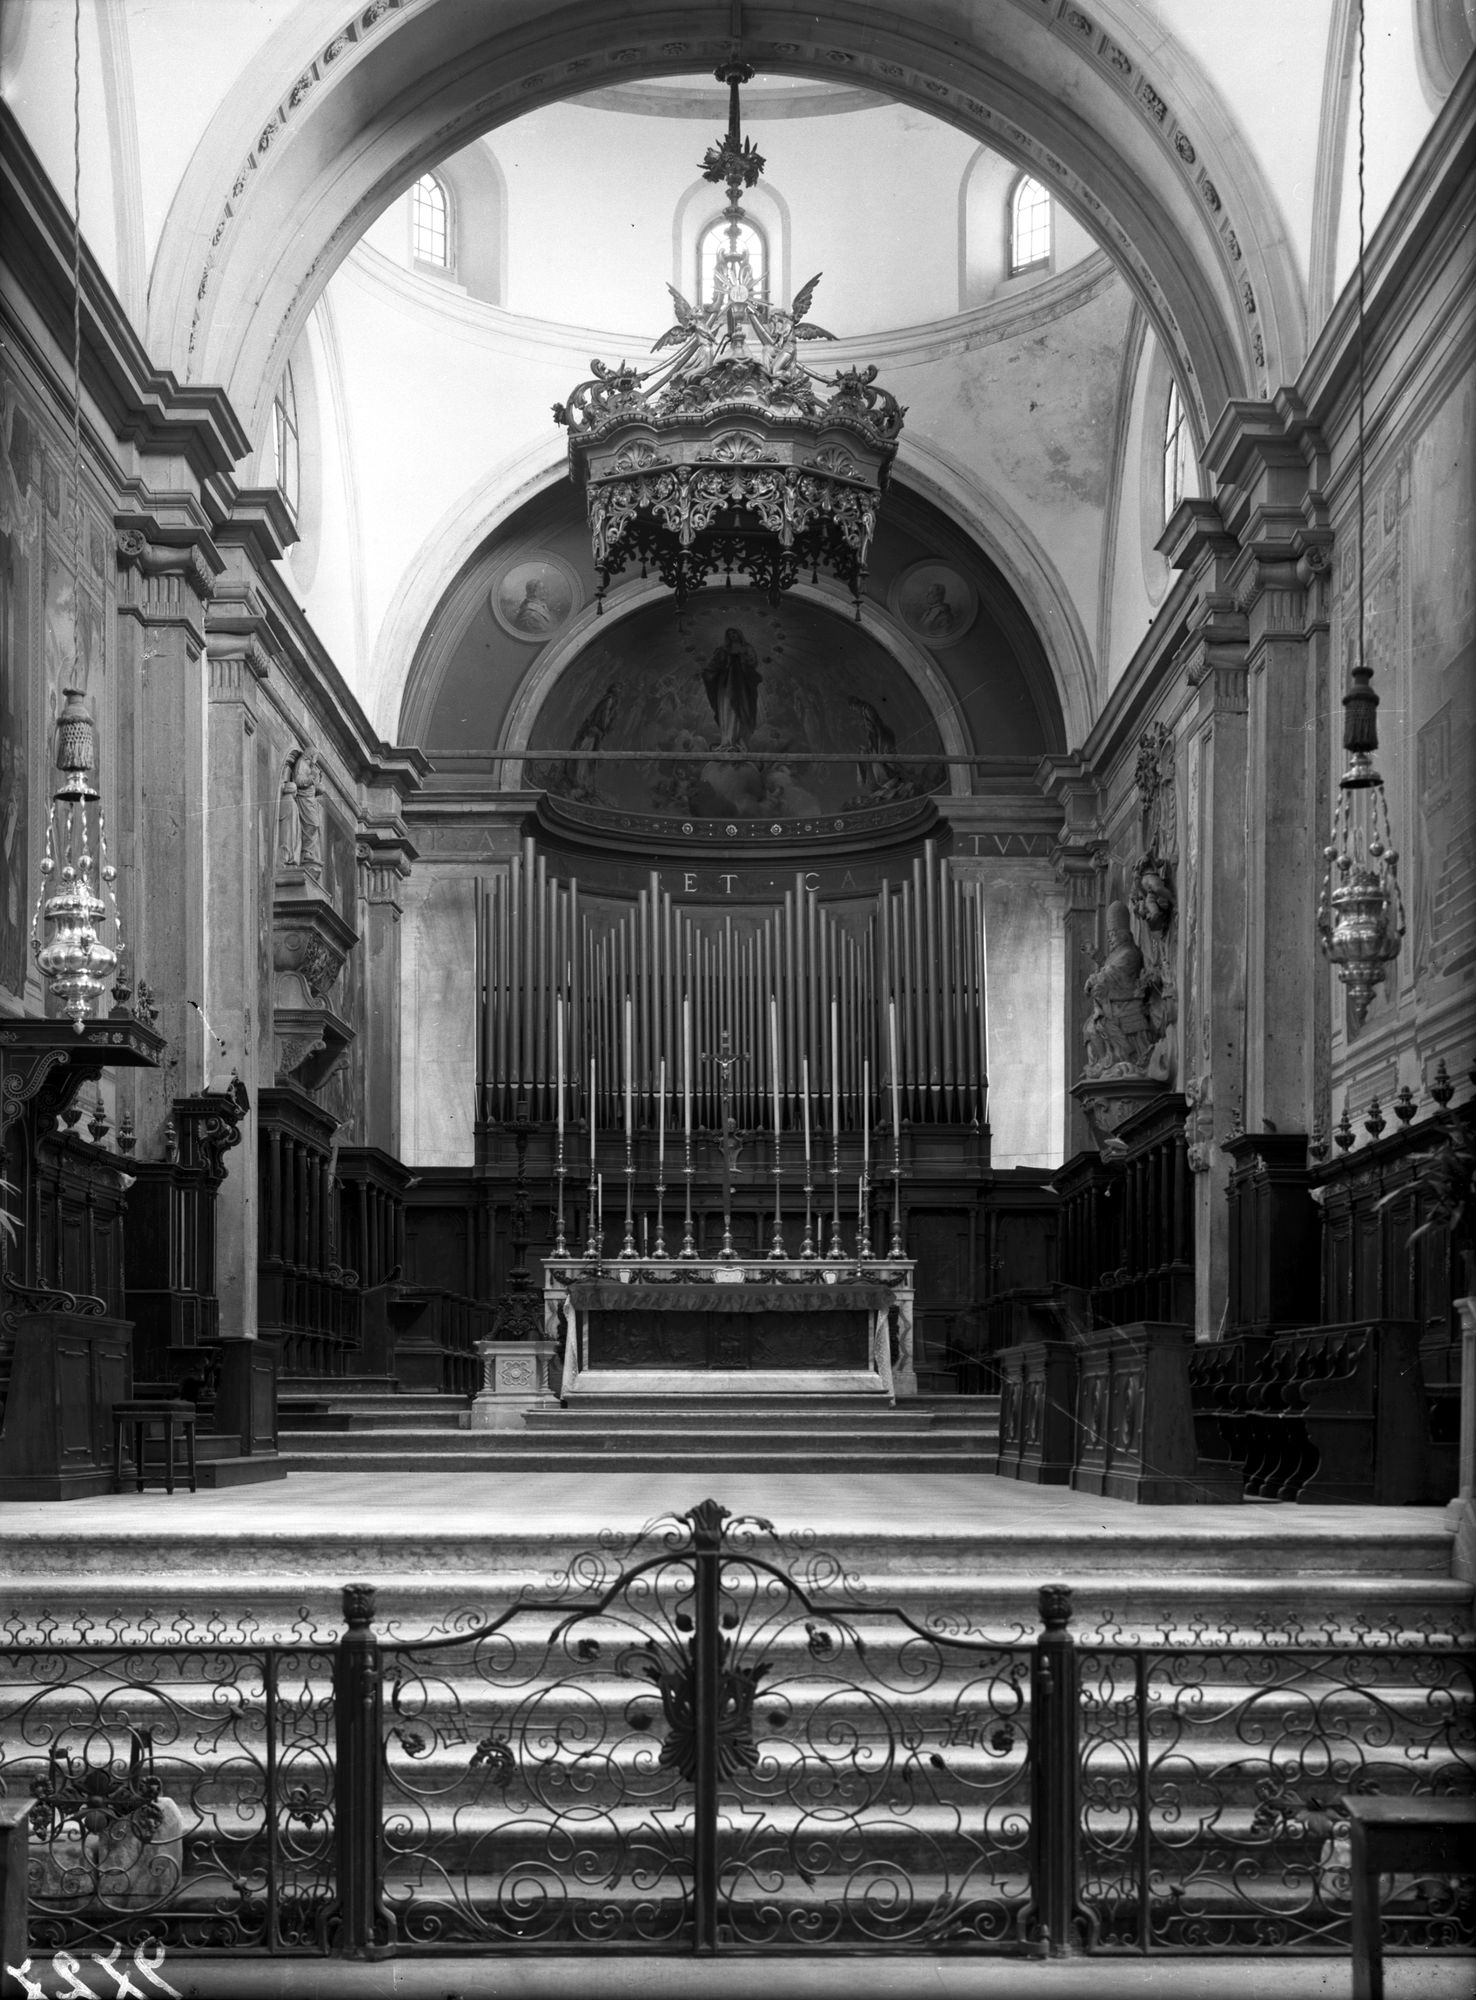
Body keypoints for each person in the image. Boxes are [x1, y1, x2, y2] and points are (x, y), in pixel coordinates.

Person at [701, 627, 762, 749]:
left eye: (734, 633)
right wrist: (707, 671)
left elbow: (752, 662)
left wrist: (742, 657)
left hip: (742, 685)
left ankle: (739, 740)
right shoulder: (723, 650)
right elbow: (714, 664)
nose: (732, 635)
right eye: (730, 634)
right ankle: (727, 739)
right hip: (726, 684)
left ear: (739, 634)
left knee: (742, 709)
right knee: (727, 707)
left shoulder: (747, 648)